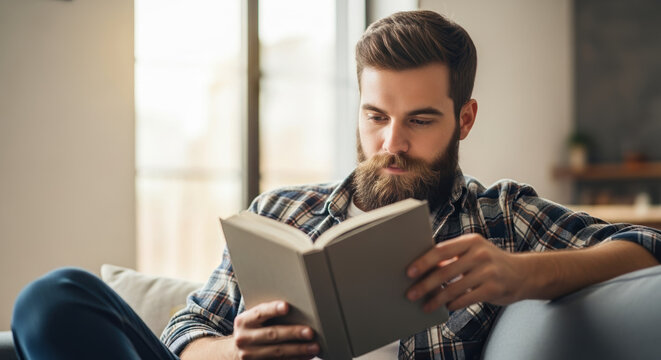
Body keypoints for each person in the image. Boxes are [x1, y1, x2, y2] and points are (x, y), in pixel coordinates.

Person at [12, 9, 661, 360]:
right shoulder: (283, 210)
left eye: (420, 120)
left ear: (464, 118)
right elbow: (186, 331)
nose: (390, 144)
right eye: (375, 116)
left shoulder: (499, 217)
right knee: (54, 297)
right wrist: (236, 353)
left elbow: (646, 245)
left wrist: (520, 275)